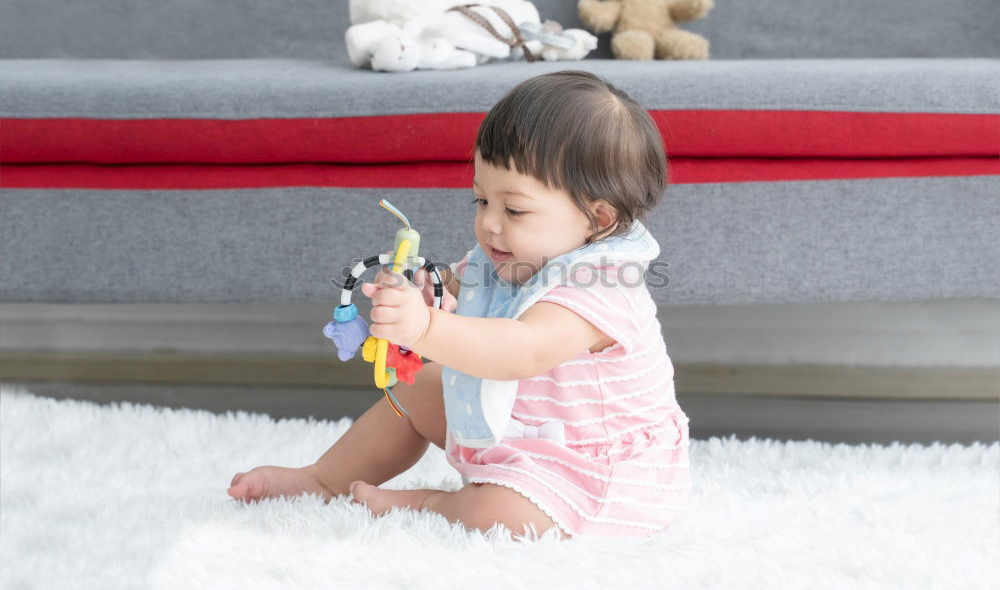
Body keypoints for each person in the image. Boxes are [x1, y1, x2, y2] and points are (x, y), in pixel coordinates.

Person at [227, 70, 692, 540]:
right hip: (517, 428)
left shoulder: (601, 287)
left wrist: (425, 329)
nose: (488, 223)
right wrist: (424, 293)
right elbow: (457, 287)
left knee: (509, 517)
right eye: (480, 199)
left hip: (591, 467)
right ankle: (322, 478)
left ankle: (434, 504)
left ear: (598, 218)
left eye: (513, 210)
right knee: (420, 387)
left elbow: (522, 349)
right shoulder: (511, 252)